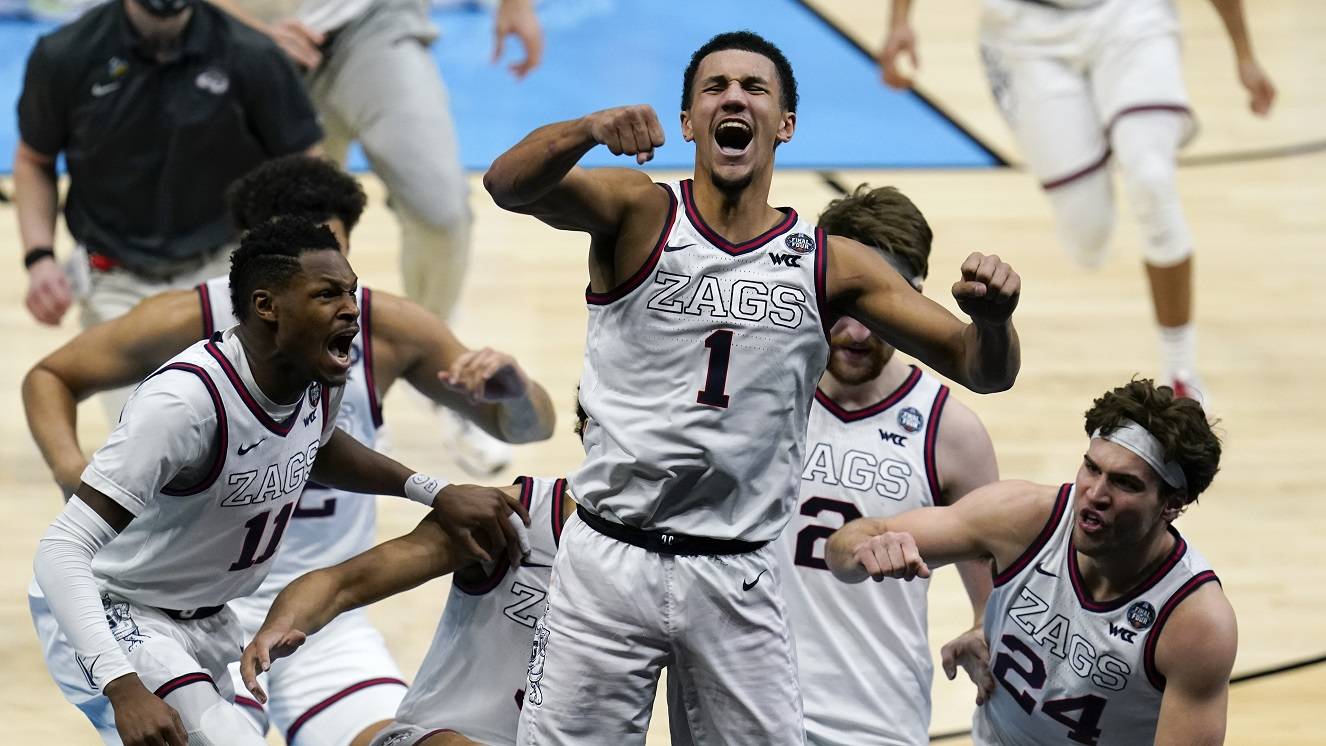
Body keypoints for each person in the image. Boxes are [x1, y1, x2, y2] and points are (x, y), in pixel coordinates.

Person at [484, 29, 1022, 744]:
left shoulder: (833, 265)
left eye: (755, 88)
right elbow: (505, 184)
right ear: (687, 123)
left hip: (736, 570)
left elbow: (984, 369)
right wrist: (585, 130)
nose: (734, 96)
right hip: (611, 559)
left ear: (786, 125)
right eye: (715, 87)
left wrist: (993, 319)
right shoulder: (639, 211)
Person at [23, 155, 556, 746]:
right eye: (321, 282)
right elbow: (50, 381)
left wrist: (462, 455)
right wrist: (74, 472)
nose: (349, 305)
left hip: (309, 610)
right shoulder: (187, 362)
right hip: (147, 610)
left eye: (340, 269)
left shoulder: (339, 356)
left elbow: (522, 429)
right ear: (265, 291)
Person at [204, 0, 546, 474]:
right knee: (270, 240)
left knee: (441, 212)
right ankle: (279, 403)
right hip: (252, 39)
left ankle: (436, 362)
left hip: (373, 23)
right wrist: (244, 31)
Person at [879, 0, 1276, 404]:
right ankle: (1104, 126)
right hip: (1024, 30)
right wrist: (899, 23)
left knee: (1152, 181)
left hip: (1130, 15)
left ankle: (1181, 373)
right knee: (1088, 236)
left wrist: (1244, 54)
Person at [828, 379, 1233, 745]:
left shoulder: (1194, 622)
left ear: (1172, 505)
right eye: (1092, 468)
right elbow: (846, 545)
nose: (1095, 493)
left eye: (1125, 483)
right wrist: (864, 553)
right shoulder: (1022, 518)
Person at [772, 185, 999, 745]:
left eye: (879, 309)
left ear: (914, 300)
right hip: (748, 707)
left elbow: (998, 600)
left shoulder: (951, 432)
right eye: (846, 307)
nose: (856, 332)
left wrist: (983, 634)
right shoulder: (760, 393)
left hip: (877, 723)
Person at [239, 409, 591, 745]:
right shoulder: (517, 516)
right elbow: (341, 584)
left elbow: (529, 419)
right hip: (228, 622)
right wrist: (430, 487)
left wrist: (509, 391)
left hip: (332, 643)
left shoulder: (640, 566)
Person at [15, 0, 322, 337]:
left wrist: (298, 256)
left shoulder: (252, 53)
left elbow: (305, 160)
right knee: (138, 392)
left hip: (228, 267)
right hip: (115, 278)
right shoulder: (65, 54)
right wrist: (40, 257)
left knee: (243, 388)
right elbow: (34, 161)